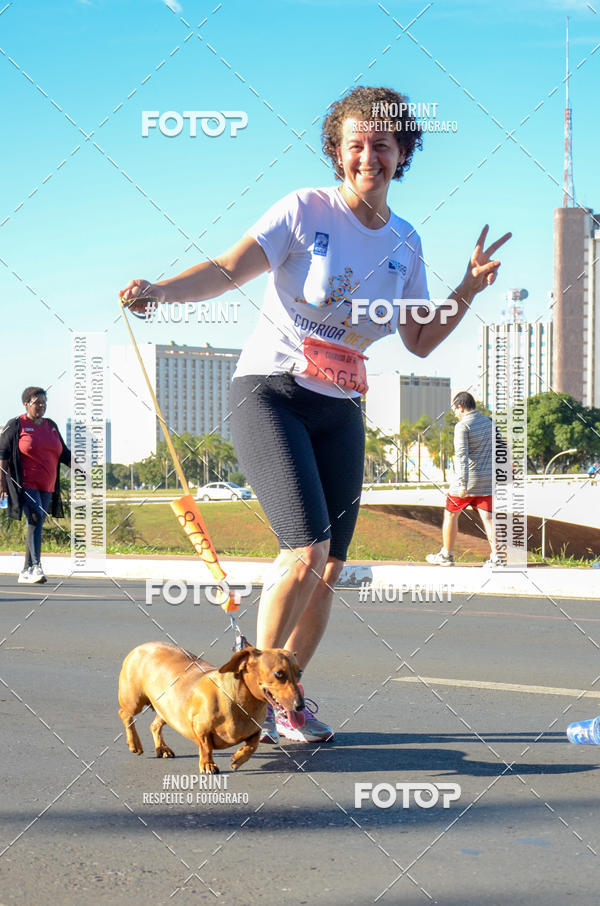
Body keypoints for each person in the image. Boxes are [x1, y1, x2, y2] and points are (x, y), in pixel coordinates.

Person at [120, 85, 511, 743]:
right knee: (306, 547)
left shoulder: (405, 242)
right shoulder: (304, 210)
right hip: (270, 392)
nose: (368, 157)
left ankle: (285, 702)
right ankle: (242, 698)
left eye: (381, 144)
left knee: (328, 571)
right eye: (354, 144)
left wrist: (467, 290)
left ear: (402, 152)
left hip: (340, 408)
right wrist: (160, 292)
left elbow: (418, 339)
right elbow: (226, 268)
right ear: (337, 152)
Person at [0, 387, 72, 584]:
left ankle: (26, 570)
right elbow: (3, 455)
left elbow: (64, 453)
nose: (41, 406)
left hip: (47, 484)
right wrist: (2, 484)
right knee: (35, 515)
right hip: (23, 482)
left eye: (43, 402)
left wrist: (83, 469)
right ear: (26, 404)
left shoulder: (51, 426)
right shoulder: (16, 425)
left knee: (35, 522)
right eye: (36, 402)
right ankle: (36, 566)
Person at [426, 391, 499, 567]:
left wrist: (463, 483)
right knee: (488, 518)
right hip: (487, 480)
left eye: (455, 410)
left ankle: (446, 555)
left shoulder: (462, 426)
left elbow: (461, 456)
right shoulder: (489, 422)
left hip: (468, 481)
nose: (455, 414)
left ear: (460, 407)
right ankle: (498, 557)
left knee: (450, 514)